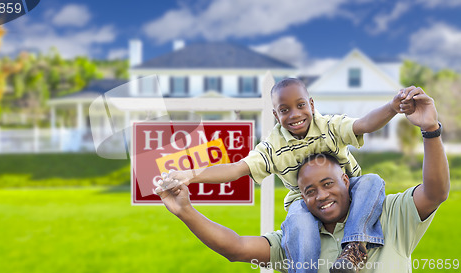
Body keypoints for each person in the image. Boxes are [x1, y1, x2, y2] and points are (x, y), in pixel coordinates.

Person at [156, 87, 449, 273]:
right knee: (297, 218)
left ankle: (355, 247)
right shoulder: (298, 234)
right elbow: (236, 243)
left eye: (328, 184)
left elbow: (434, 192)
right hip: (299, 216)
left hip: (362, 193)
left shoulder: (389, 216)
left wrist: (420, 123)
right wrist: (187, 193)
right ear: (276, 114)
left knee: (372, 180)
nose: (321, 195)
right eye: (310, 189)